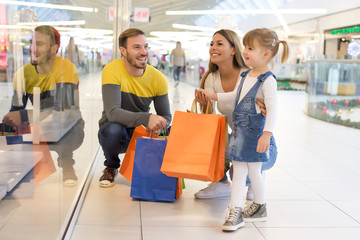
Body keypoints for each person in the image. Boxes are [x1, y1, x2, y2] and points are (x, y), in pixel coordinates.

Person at [196, 28, 289, 231]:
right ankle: (247, 208)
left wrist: (267, 133)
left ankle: (247, 209)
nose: (244, 51)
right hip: (240, 134)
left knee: (250, 172)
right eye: (245, 47)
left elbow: (273, 109)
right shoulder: (245, 75)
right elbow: (233, 95)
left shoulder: (268, 80)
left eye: (250, 48)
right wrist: (212, 96)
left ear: (265, 54)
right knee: (243, 171)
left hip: (256, 135)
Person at [1, 25, 82, 186]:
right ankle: (16, 169)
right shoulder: (22, 74)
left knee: (67, 127)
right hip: (39, 124)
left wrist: (23, 116)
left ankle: (67, 164)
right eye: (32, 43)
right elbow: (16, 110)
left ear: (54, 49)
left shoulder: (65, 68)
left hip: (69, 126)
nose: (33, 48)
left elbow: (63, 112)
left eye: (39, 44)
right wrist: (8, 123)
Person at [194, 29, 269, 200]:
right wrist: (203, 103)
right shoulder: (211, 78)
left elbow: (266, 106)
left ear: (234, 49)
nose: (213, 47)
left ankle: (255, 178)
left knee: (241, 173)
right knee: (210, 137)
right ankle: (220, 182)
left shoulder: (251, 74)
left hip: (255, 138)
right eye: (212, 44)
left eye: (220, 44)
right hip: (234, 137)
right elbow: (209, 118)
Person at [98, 28, 171, 188]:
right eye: (137, 47)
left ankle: (157, 169)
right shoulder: (112, 70)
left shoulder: (158, 78)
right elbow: (113, 113)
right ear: (123, 51)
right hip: (114, 133)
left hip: (140, 133)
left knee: (171, 131)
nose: (144, 52)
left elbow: (166, 116)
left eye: (146, 46)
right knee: (112, 130)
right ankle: (111, 166)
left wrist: (159, 124)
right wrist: (147, 118)